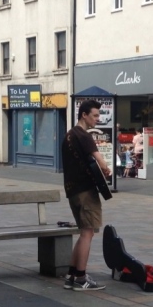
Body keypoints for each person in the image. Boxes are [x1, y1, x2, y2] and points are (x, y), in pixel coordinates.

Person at [62, 99, 110, 291]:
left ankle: (71, 275)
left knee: (84, 232)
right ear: (84, 115)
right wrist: (106, 169)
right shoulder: (84, 136)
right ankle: (81, 278)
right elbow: (101, 161)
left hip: (72, 190)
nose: (98, 119)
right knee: (88, 233)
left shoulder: (69, 135)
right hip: (85, 191)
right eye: (95, 115)